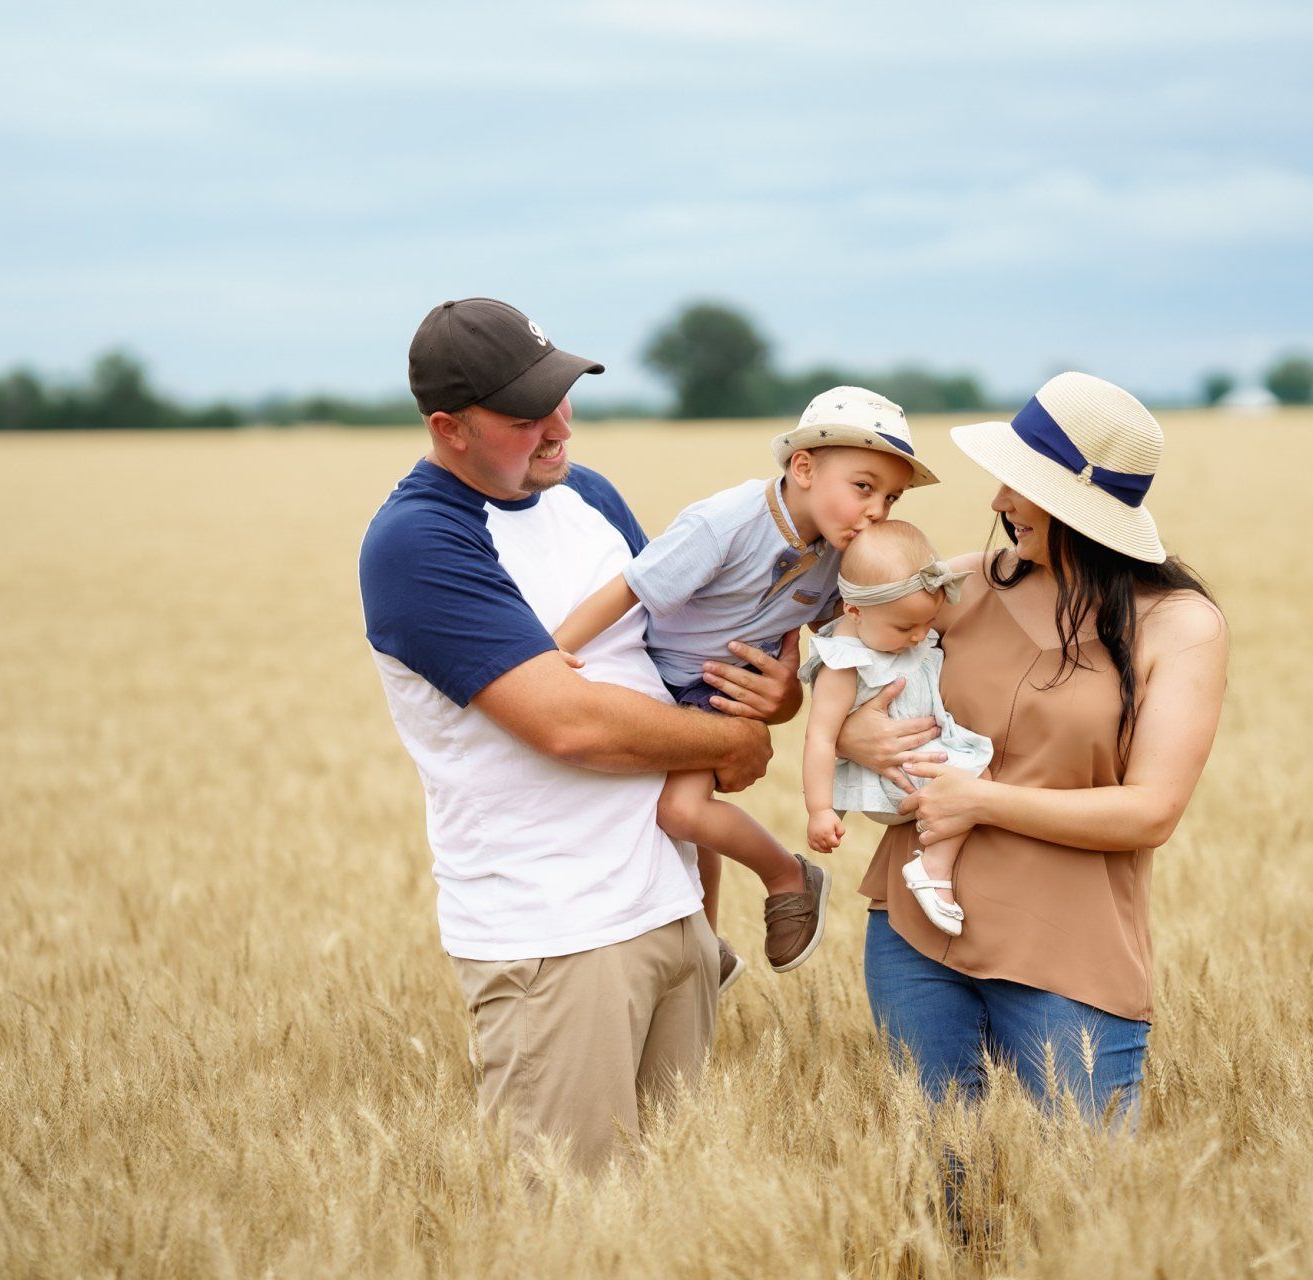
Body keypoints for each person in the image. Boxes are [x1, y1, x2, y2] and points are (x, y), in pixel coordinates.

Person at [358, 297, 803, 1175]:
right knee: (569, 1231)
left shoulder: (588, 496)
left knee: (676, 1217)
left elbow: (684, 662)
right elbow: (568, 725)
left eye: (562, 395)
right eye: (526, 416)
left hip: (672, 911)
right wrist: (725, 744)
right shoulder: (419, 541)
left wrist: (774, 699)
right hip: (557, 939)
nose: (559, 426)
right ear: (449, 428)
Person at [835, 371, 1229, 1127]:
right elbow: (832, 657)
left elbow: (1151, 811)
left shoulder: (1181, 626)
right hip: (917, 943)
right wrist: (855, 733)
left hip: (1069, 954)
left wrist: (979, 799)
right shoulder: (956, 587)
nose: (996, 502)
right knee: (944, 1191)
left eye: (1018, 484)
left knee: (1082, 1204)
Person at [553, 387, 931, 976]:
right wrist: (552, 655)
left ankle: (785, 877)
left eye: (890, 496)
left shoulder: (843, 553)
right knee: (669, 820)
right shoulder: (724, 523)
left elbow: (847, 639)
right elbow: (632, 587)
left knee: (682, 812)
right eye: (864, 486)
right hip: (652, 679)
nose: (878, 510)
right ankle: (705, 942)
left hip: (719, 690)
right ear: (802, 467)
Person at [799, 520, 994, 936]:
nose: (920, 637)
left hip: (919, 759)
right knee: (981, 780)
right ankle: (933, 867)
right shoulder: (844, 662)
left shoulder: (891, 628)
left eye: (928, 624)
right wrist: (820, 810)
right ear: (853, 610)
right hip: (895, 780)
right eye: (906, 628)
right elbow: (820, 736)